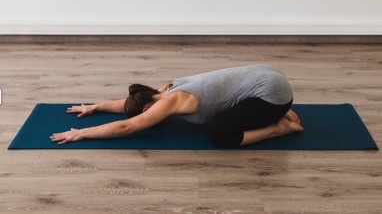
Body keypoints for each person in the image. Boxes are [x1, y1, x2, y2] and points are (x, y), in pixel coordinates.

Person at [50, 65, 303, 147]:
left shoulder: (172, 101)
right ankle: (276, 109)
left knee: (217, 134)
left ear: (148, 108)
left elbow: (127, 127)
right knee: (226, 111)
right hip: (267, 76)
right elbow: (128, 107)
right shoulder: (163, 89)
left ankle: (279, 127)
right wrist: (97, 106)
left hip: (273, 93)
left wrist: (80, 133)